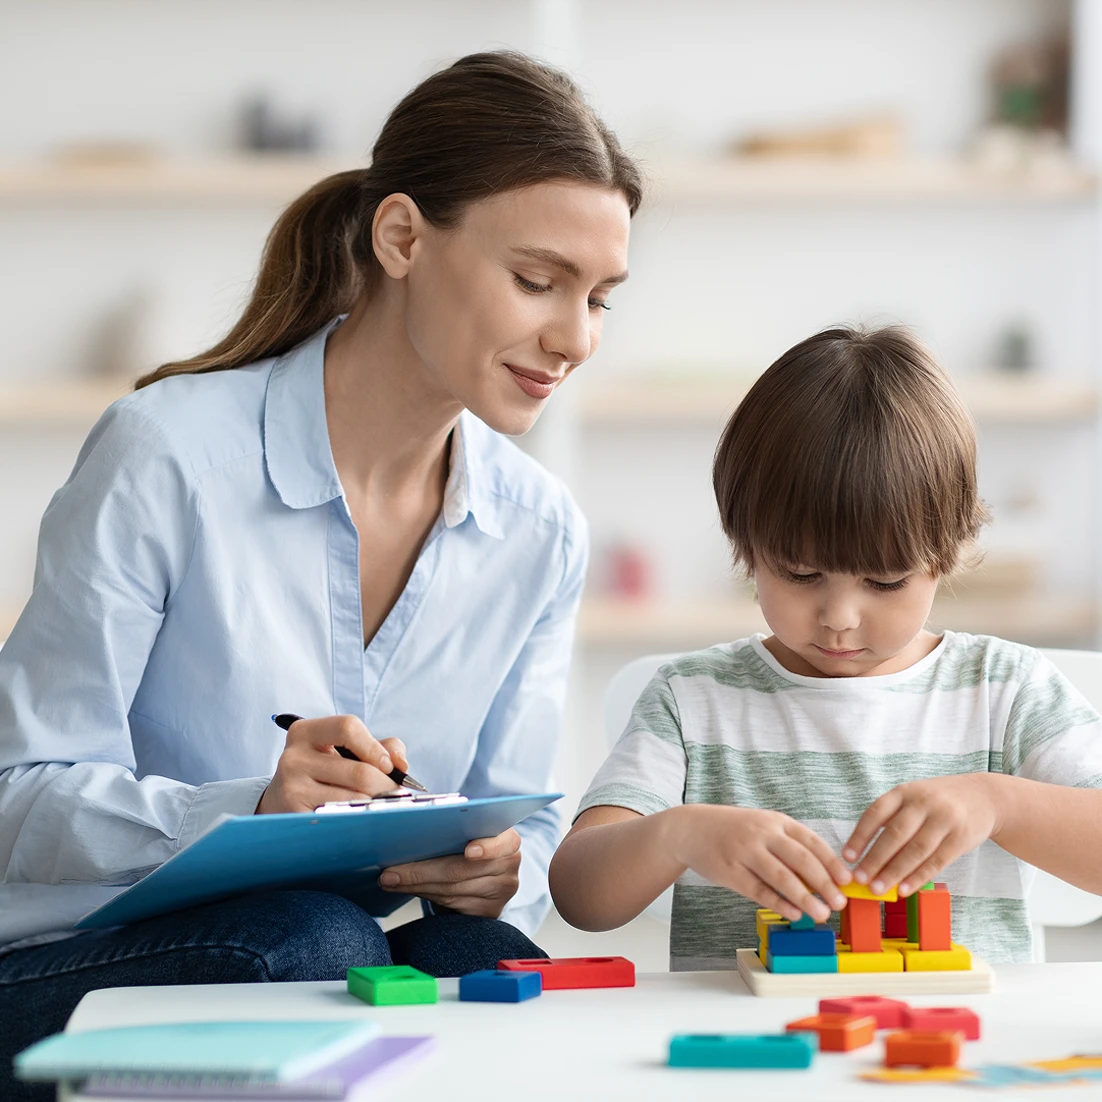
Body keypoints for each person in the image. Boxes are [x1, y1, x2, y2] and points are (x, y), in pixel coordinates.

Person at [0, 49, 640, 1095]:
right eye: (537, 281)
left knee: (487, 968)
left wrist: (493, 873)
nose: (573, 337)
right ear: (401, 237)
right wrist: (249, 806)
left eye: (602, 297)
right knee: (320, 945)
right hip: (55, 971)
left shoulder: (539, 532)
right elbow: (16, 799)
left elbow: (518, 824)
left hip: (309, 947)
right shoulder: (167, 454)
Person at [549, 325, 1102, 972]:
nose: (839, 618)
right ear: (746, 546)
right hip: (743, 1055)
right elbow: (579, 896)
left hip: (951, 1055)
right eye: (801, 575)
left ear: (945, 556)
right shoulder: (692, 700)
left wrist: (999, 802)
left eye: (885, 581)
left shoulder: (1005, 690)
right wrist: (680, 835)